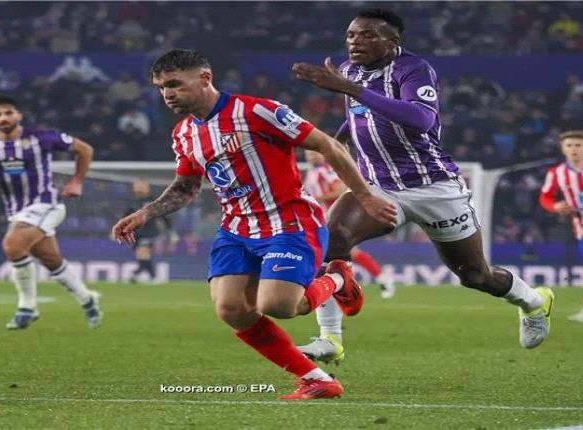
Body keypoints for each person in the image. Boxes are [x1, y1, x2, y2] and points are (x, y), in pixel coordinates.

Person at [112, 49, 397, 400]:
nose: (167, 93)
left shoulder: (256, 111)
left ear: (205, 79)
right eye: (161, 87)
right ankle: (317, 380)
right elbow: (186, 187)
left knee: (278, 306)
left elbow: (328, 146)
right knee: (231, 309)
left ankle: (337, 278)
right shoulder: (184, 133)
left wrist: (365, 197)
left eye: (174, 84)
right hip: (236, 230)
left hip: (288, 222)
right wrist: (146, 213)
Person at [291, 8, 554, 353]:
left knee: (475, 276)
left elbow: (421, 119)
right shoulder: (349, 71)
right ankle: (330, 338)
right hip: (378, 186)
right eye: (352, 35)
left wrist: (349, 89)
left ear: (392, 41)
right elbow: (360, 115)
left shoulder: (413, 69)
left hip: (434, 187)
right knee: (331, 239)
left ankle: (534, 301)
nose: (356, 42)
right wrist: (334, 141)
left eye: (368, 35)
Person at [0, 95, 102, 330]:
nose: (3, 118)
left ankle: (27, 307)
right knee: (51, 261)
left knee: (12, 245)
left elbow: (85, 149)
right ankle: (88, 299)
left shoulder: (41, 137)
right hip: (17, 211)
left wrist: (77, 181)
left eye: (8, 113)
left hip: (46, 204)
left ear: (19, 115)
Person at [298, 149, 395, 364]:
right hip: (324, 221)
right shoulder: (313, 173)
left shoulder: (327, 170)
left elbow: (341, 188)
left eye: (315, 152)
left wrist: (317, 198)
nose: (312, 156)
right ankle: (355, 284)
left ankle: (359, 283)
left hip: (338, 221)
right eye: (308, 153)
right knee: (340, 258)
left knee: (336, 258)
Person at [539, 130, 583, 323]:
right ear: (563, 149)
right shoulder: (557, 173)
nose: (574, 149)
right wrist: (555, 206)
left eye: (578, 145)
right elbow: (545, 196)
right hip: (581, 224)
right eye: (569, 145)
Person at [125, 179, 172, 284]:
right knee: (141, 255)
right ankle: (150, 276)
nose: (139, 187)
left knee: (143, 253)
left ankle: (137, 274)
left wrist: (169, 228)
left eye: (141, 185)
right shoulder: (132, 201)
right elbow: (125, 217)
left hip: (149, 232)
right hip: (137, 233)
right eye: (137, 185)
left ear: (148, 187)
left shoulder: (152, 201)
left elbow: (163, 215)